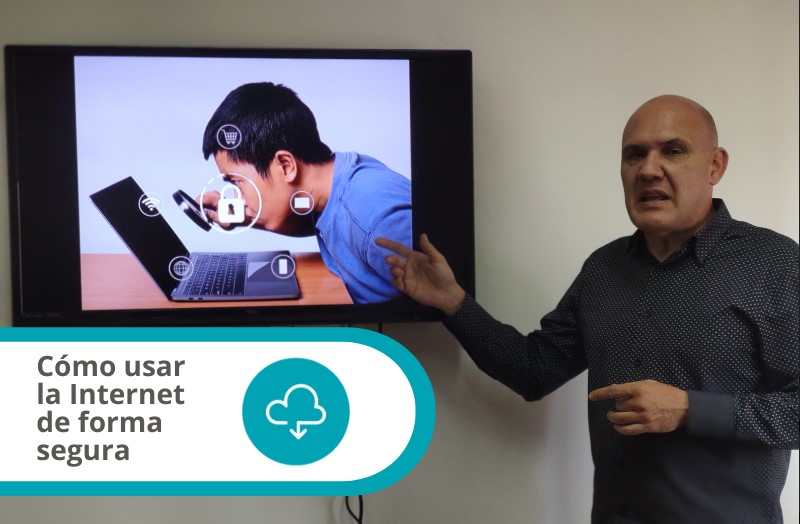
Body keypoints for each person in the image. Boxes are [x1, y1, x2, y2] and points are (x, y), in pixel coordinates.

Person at [377, 95, 799, 523]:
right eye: (634, 155)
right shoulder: (603, 269)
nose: (649, 170)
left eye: (673, 151)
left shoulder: (775, 264)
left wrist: (689, 410)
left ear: (715, 166)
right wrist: (452, 301)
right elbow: (533, 369)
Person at [200, 82, 411, 304]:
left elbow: (436, 302)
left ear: (285, 165)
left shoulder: (379, 221)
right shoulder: (332, 190)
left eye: (237, 183)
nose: (238, 197)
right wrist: (242, 216)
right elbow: (334, 228)